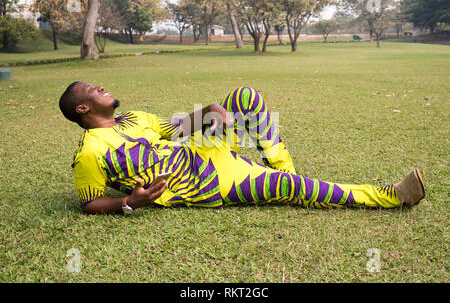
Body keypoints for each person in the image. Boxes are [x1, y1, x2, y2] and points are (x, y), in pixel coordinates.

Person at [59, 82, 425, 215]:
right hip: (210, 183)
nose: (101, 88)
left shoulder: (134, 118)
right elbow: (88, 203)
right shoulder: (90, 153)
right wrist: (129, 203)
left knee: (243, 98)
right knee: (295, 191)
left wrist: (209, 112)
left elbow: (176, 129)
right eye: (93, 90)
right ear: (83, 109)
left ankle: (284, 170)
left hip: (204, 151)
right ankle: (393, 196)